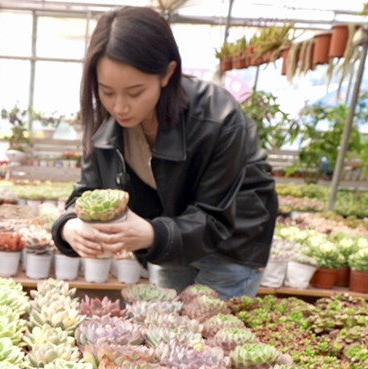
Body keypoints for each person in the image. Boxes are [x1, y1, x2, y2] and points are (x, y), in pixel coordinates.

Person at [51, 8, 277, 299]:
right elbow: (85, 193)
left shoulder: (218, 117)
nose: (120, 107)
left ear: (167, 73)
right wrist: (69, 226)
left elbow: (218, 217)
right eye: (107, 92)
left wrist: (151, 234)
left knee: (217, 334)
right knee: (172, 331)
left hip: (230, 247)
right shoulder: (105, 124)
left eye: (135, 92)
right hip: (169, 243)